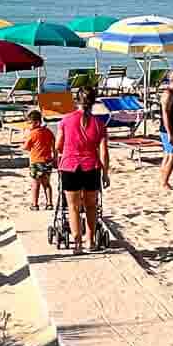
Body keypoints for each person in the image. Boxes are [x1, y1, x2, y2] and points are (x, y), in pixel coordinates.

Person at [57, 99, 111, 251]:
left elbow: (58, 146)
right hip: (91, 167)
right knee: (91, 206)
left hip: (70, 166)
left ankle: (77, 243)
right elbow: (104, 153)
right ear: (93, 102)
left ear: (76, 102)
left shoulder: (66, 120)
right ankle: (91, 241)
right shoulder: (99, 124)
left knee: (73, 207)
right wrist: (105, 173)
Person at [23, 108, 57, 210]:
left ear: (36, 122)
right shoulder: (48, 132)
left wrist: (25, 137)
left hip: (36, 162)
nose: (29, 126)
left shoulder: (32, 134)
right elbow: (54, 145)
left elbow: (26, 147)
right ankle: (49, 203)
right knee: (47, 184)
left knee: (35, 184)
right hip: (47, 161)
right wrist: (55, 158)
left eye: (30, 123)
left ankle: (35, 204)